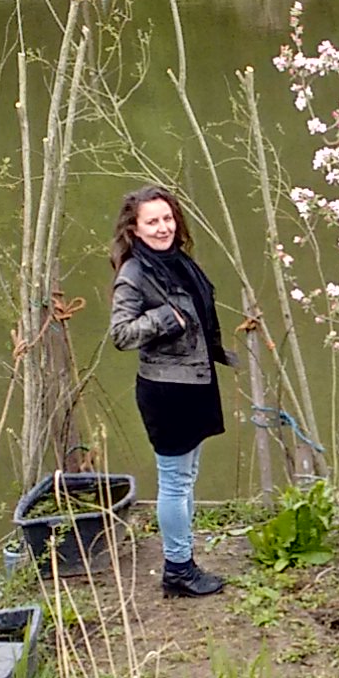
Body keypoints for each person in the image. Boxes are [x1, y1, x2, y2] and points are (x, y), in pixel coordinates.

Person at [108, 185, 234, 598]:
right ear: (134, 228)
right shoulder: (135, 273)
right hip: (167, 389)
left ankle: (184, 558)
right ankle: (178, 569)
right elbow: (121, 334)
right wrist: (163, 317)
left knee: (186, 477)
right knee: (175, 482)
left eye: (167, 218)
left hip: (193, 380)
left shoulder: (176, 262)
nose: (163, 228)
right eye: (152, 221)